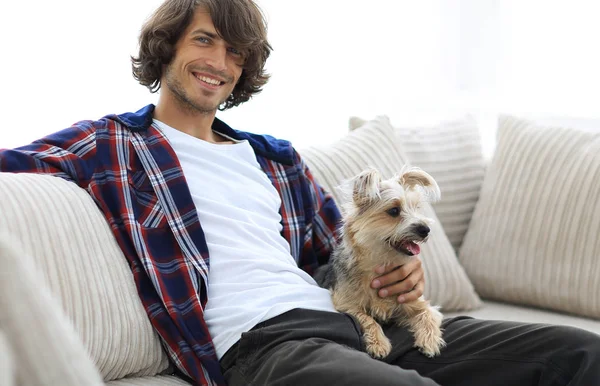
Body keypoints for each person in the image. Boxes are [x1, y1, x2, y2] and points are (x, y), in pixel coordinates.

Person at [0, 0, 598, 385]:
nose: (220, 62)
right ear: (169, 45)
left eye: (235, 51)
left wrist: (397, 278)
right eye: (205, 40)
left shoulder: (274, 158)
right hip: (264, 346)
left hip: (353, 322)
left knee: (577, 355)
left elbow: (336, 258)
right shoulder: (112, 145)